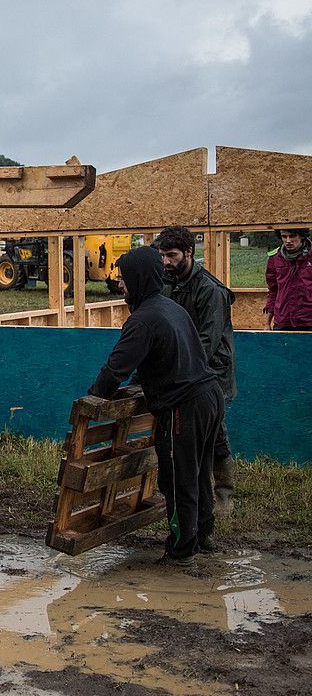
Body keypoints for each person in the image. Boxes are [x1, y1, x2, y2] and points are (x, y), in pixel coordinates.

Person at [88, 246, 223, 566]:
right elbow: (155, 360)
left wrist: (93, 399)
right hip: (209, 398)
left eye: (124, 279)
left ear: (139, 279)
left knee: (177, 478)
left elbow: (114, 370)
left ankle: (181, 549)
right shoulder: (170, 308)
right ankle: (203, 534)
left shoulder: (143, 320)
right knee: (199, 473)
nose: (121, 285)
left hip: (184, 408)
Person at [154, 225, 237, 516]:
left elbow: (207, 341)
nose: (166, 261)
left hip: (212, 370)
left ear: (189, 252)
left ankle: (224, 492)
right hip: (183, 370)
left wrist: (172, 367)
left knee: (215, 432)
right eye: (162, 255)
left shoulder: (210, 290)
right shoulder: (167, 281)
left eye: (172, 255)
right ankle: (192, 494)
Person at [265, 228, 312, 331]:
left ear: (302, 236)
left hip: (308, 320)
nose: (288, 241)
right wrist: (267, 323)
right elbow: (273, 291)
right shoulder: (274, 258)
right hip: (283, 320)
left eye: (292, 236)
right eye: (284, 236)